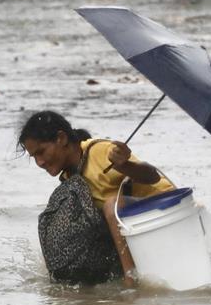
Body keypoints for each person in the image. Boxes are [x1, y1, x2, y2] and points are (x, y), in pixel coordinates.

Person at [18, 111, 174, 286]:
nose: (39, 162)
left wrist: (124, 165)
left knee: (111, 205)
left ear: (61, 138)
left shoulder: (100, 153)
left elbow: (152, 176)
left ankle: (130, 278)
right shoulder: (70, 176)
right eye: (34, 157)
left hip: (166, 208)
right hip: (136, 225)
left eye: (41, 152)